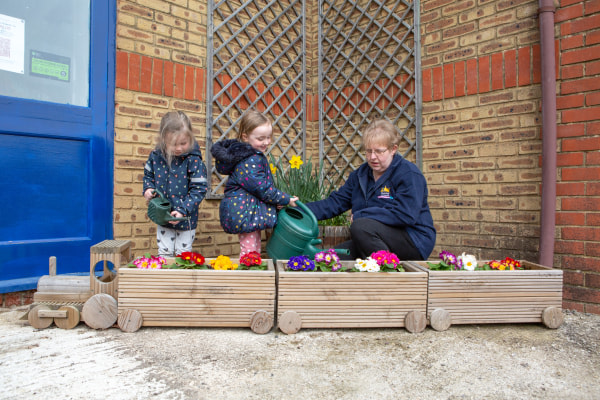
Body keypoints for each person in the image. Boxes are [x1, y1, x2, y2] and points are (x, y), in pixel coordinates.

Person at [306, 119, 436, 260]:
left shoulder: (408, 174)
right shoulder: (359, 176)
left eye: (379, 151)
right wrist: (297, 209)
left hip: (413, 240)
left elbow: (406, 215)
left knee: (360, 226)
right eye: (369, 151)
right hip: (372, 238)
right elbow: (334, 203)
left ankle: (389, 273)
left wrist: (362, 215)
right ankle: (376, 266)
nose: (372, 157)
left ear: (393, 149)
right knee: (327, 259)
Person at [211, 110, 298, 256]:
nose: (266, 142)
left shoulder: (249, 156)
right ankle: (247, 277)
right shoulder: (250, 160)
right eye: (260, 138)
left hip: (249, 212)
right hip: (246, 213)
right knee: (249, 252)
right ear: (245, 137)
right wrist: (286, 199)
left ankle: (250, 273)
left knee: (253, 250)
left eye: (268, 137)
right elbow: (262, 189)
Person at [143, 111, 208, 257]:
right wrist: (148, 188)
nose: (178, 148)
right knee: (164, 252)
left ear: (190, 138)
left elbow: (199, 189)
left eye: (183, 143)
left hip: (185, 218)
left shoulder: (193, 160)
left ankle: (179, 280)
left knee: (182, 254)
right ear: (163, 139)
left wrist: (182, 210)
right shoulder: (156, 157)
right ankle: (165, 280)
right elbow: (148, 176)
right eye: (173, 144)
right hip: (162, 216)